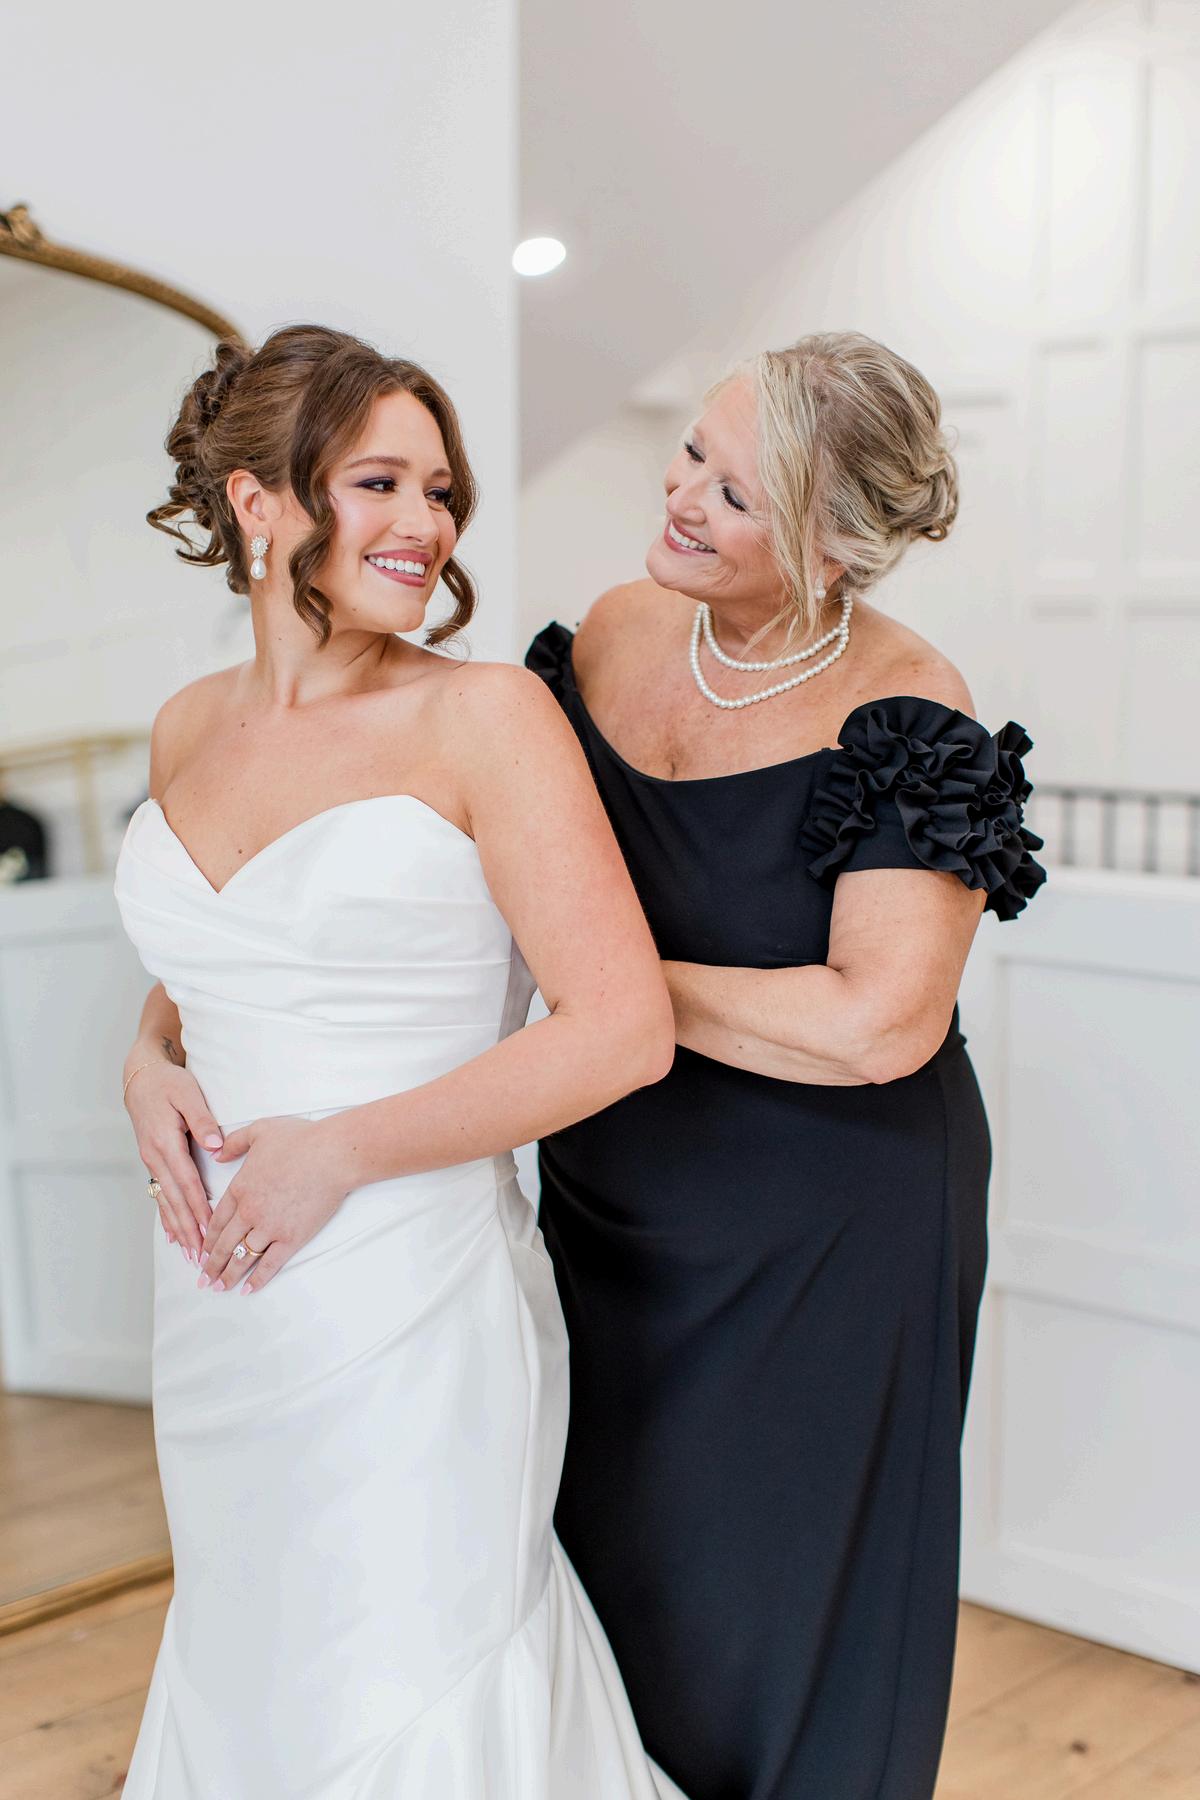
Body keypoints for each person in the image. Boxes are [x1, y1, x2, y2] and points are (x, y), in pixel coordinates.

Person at [114, 324, 686, 1798]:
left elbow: (622, 1028)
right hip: (221, 1300)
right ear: (258, 503)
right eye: (379, 482)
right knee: (255, 1652)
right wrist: (146, 1055)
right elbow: (218, 963)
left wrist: (338, 1151)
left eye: (441, 491)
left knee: (407, 1663)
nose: (426, 522)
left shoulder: (483, 715)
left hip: (414, 1299)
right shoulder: (186, 727)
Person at [525, 331, 1046, 1800]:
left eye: (735, 494)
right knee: (604, 1579)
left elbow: (881, 1023)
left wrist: (614, 994)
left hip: (828, 1225)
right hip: (614, 1198)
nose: (681, 494)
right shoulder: (613, 633)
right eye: (694, 451)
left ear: (833, 549)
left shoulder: (912, 717)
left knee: (780, 1614)